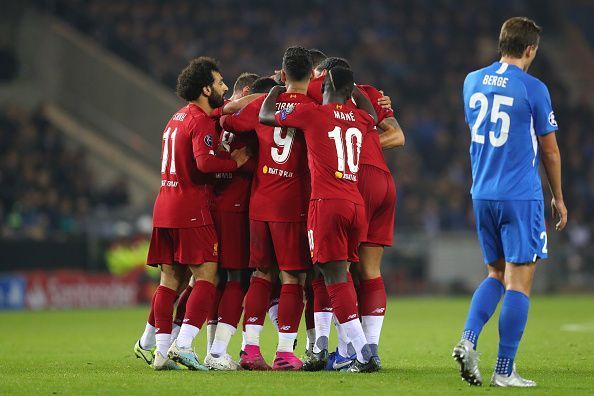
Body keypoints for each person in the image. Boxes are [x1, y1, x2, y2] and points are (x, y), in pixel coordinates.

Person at [453, 17, 567, 387]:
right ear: (530, 49)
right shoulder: (533, 88)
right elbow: (549, 151)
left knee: (495, 275)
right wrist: (559, 198)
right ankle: (504, 371)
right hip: (520, 195)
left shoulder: (471, 81)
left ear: (501, 42)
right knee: (519, 282)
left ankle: (467, 340)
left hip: (482, 191)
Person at [260, 66, 381, 373]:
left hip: (326, 204)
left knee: (331, 277)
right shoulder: (360, 118)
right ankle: (350, 348)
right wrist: (356, 91)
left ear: (325, 84)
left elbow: (266, 115)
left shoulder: (314, 114)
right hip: (356, 204)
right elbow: (375, 116)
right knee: (344, 275)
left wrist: (276, 89)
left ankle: (363, 353)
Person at [138, 57, 250, 371]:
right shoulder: (200, 122)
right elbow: (204, 163)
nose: (225, 87)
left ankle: (161, 352)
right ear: (205, 88)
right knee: (207, 277)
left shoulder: (177, 117)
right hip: (190, 208)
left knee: (169, 280)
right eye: (219, 82)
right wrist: (235, 163)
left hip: (164, 206)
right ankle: (184, 345)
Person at [222, 46, 315, 370]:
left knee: (262, 274)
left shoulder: (265, 104)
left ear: (283, 74)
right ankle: (286, 352)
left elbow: (227, 119)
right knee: (293, 278)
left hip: (259, 203)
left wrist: (252, 99)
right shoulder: (315, 107)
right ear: (312, 75)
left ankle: (249, 349)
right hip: (292, 206)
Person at [203, 72, 261, 370]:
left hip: (212, 203)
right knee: (237, 278)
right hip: (236, 207)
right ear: (249, 92)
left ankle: (207, 348)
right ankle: (216, 352)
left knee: (216, 279)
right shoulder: (247, 123)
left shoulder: (217, 115)